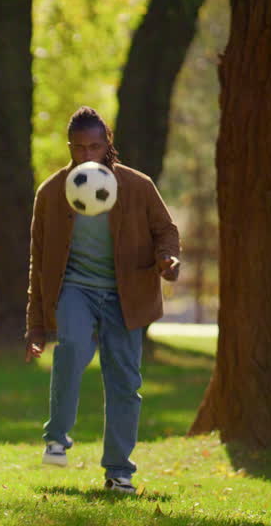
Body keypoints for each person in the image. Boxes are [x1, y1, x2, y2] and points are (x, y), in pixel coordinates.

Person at [25, 106, 180, 494]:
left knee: (125, 381)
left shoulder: (137, 185)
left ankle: (119, 472)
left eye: (95, 146)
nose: (88, 156)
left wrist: (169, 260)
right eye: (79, 148)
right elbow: (38, 264)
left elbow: (166, 230)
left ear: (107, 143)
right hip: (75, 289)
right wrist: (36, 327)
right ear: (70, 148)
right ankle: (57, 438)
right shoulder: (51, 192)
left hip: (124, 295)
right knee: (73, 347)